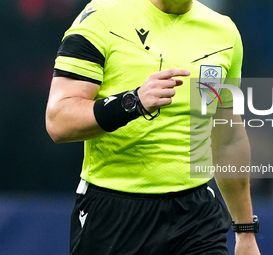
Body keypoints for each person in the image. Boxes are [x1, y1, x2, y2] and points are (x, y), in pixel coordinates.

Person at [45, 0, 260, 254]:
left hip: (196, 218)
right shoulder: (100, 17)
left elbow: (227, 138)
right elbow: (58, 121)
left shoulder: (224, 32)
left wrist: (245, 232)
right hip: (114, 213)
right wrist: (132, 102)